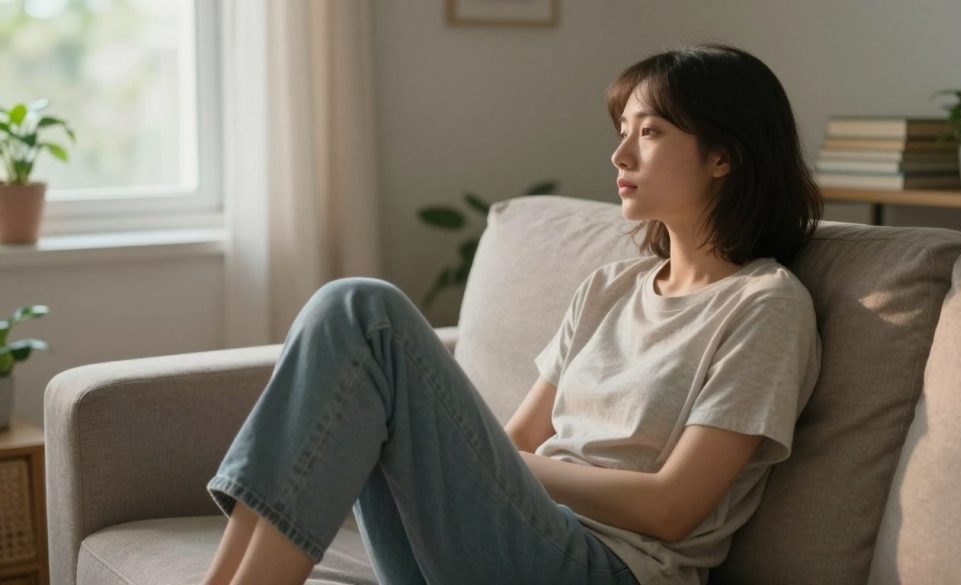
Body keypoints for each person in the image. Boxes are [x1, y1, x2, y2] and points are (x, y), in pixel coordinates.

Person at [200, 41, 823, 585]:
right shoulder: (609, 288)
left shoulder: (765, 306)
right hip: (510, 541)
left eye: (650, 132)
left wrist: (503, 470)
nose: (620, 155)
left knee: (366, 311)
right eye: (622, 130)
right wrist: (498, 467)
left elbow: (671, 509)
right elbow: (518, 441)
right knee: (345, 315)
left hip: (606, 567)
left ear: (723, 157)